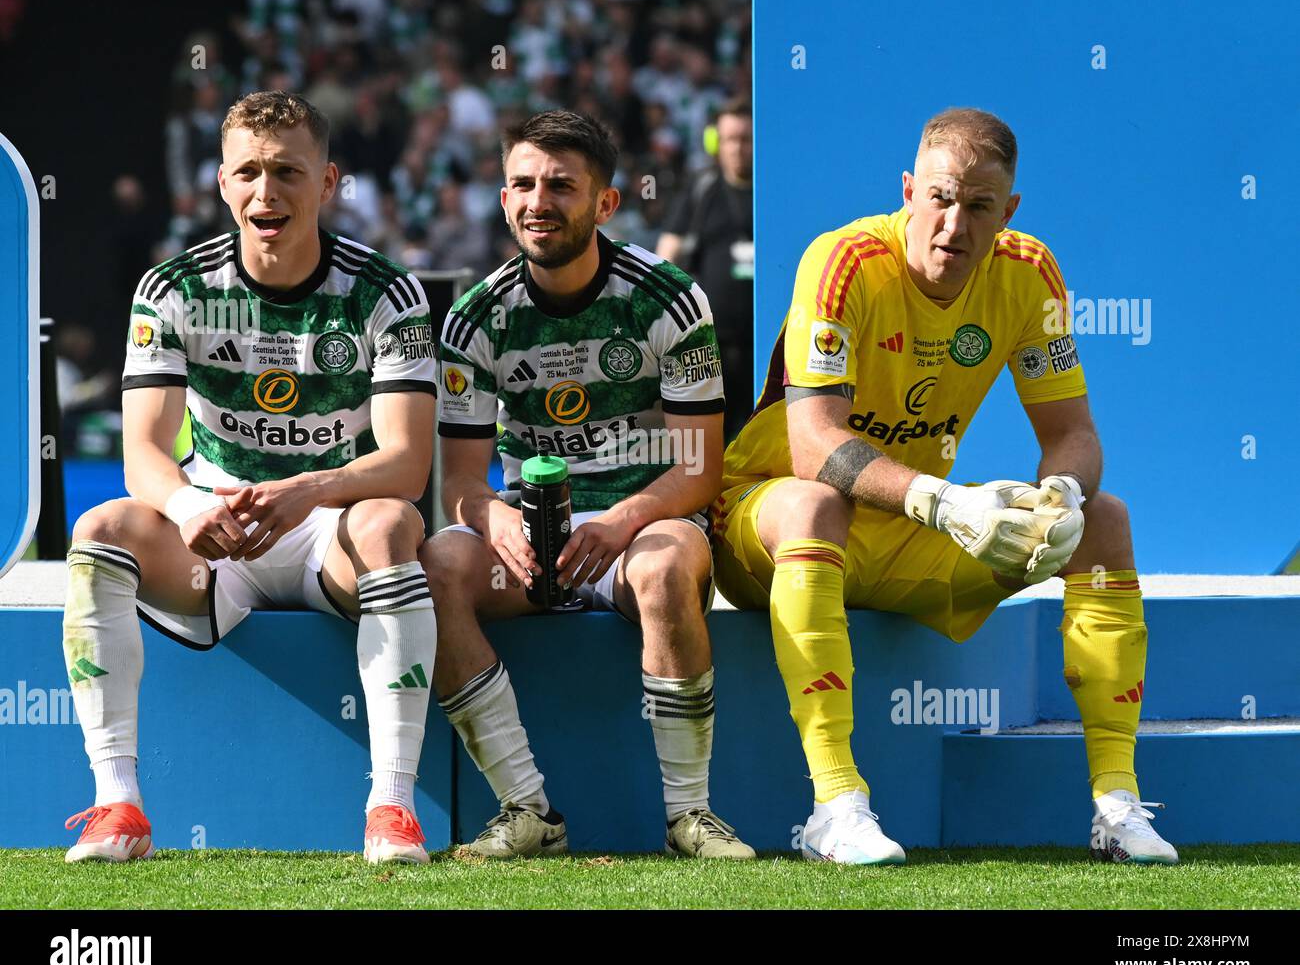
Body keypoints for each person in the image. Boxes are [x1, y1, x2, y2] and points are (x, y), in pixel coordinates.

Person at [712, 107, 1177, 866]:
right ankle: (836, 806)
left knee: (1104, 520)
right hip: (769, 515)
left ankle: (1117, 806)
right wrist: (943, 500)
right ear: (907, 189)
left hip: (904, 529)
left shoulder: (1030, 273)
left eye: (978, 206)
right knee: (816, 501)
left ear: (1009, 212)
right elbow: (813, 444)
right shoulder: (845, 261)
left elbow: (1073, 435)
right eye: (938, 197)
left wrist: (1060, 494)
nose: (954, 224)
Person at [61, 91, 440, 866]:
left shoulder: (386, 292)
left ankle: (392, 808)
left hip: (329, 528)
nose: (267, 194)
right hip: (218, 533)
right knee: (98, 531)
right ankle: (117, 805)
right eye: (248, 174)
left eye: (288, 173)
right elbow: (144, 455)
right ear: (222, 185)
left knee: (391, 523)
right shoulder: (172, 288)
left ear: (328, 183)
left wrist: (307, 489)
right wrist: (189, 502)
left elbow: (406, 465)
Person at [423, 110, 753, 860]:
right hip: (532, 539)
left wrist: (619, 523)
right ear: (504, 200)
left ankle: (690, 817)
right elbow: (462, 484)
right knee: (436, 565)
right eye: (522, 185)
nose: (539, 201)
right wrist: (493, 519)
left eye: (561, 186)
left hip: (643, 528)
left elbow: (700, 468)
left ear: (606, 203)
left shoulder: (667, 298)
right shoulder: (476, 318)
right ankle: (527, 810)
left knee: (667, 567)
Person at [656, 99, 754, 441]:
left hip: (764, 346)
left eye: (746, 139)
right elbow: (667, 254)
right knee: (709, 438)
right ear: (716, 143)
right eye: (730, 139)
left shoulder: (773, 191)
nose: (738, 148)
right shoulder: (702, 191)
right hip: (710, 345)